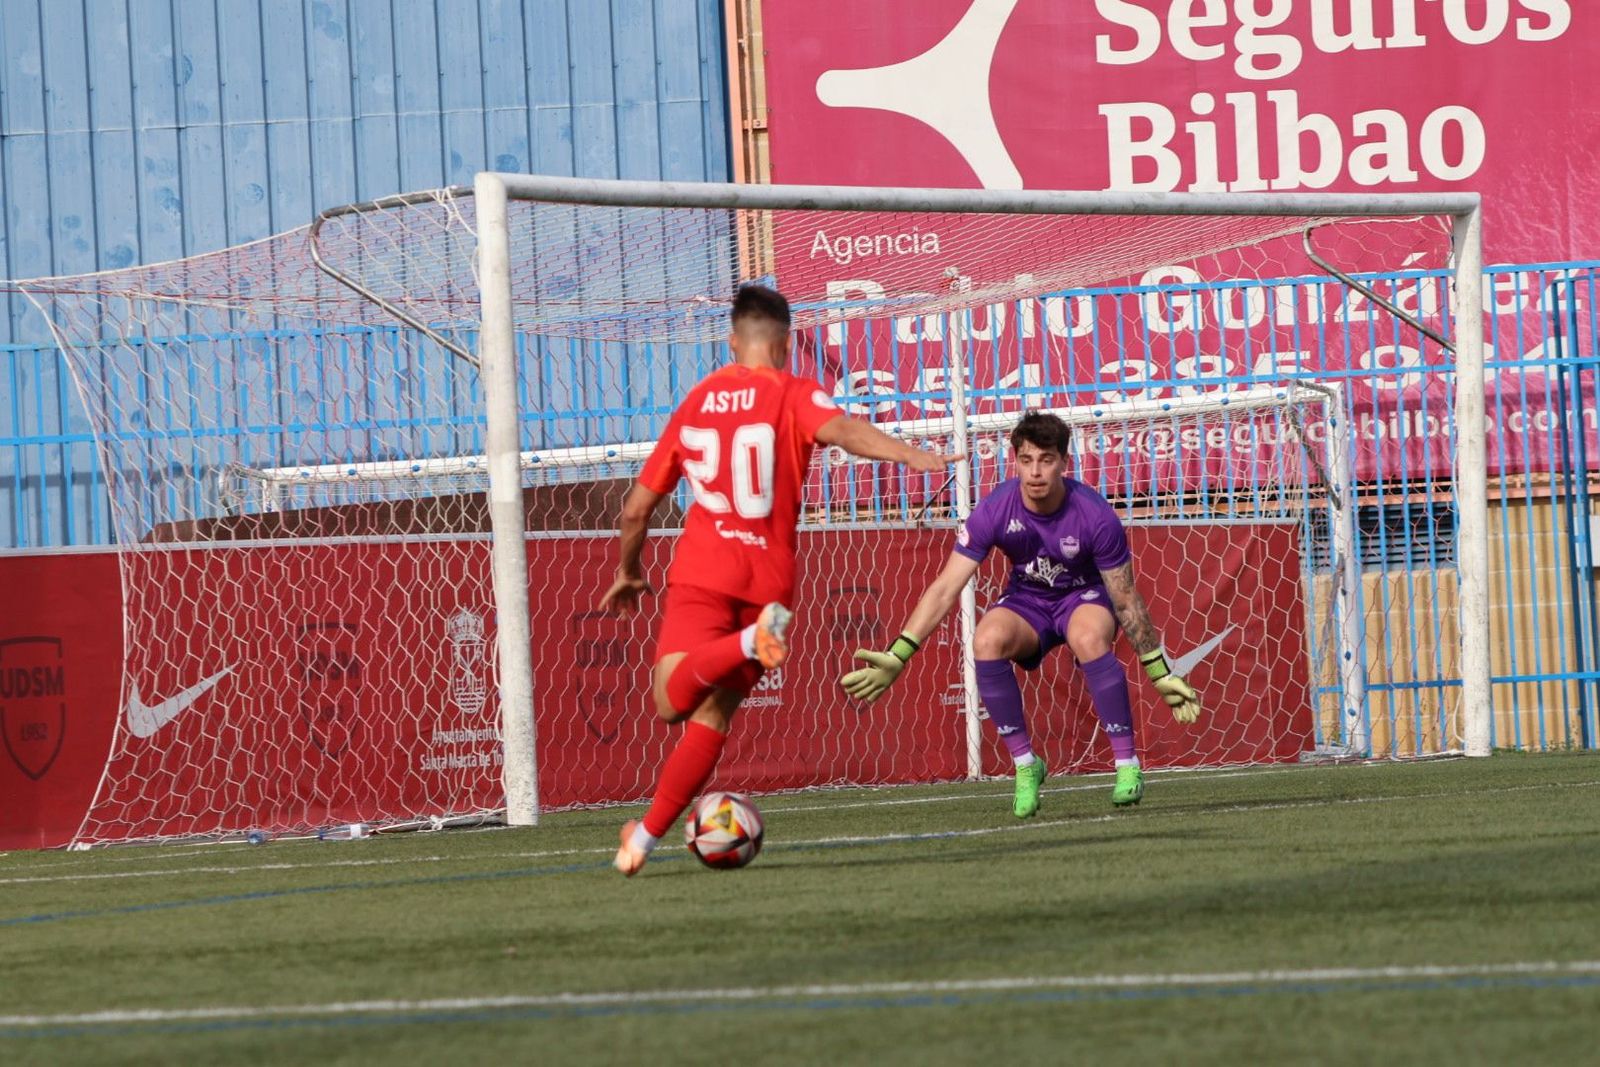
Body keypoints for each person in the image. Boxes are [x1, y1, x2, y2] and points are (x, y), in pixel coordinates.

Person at [600, 283, 948, 876]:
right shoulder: (795, 393)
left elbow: (637, 508)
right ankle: (642, 842)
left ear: (733, 341)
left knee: (668, 705)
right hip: (776, 595)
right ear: (786, 344)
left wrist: (630, 570)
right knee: (714, 719)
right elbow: (841, 429)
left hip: (703, 574)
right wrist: (907, 454)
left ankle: (737, 644)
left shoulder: (697, 401)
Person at [839, 410, 1202, 817]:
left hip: (1082, 599)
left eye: (1046, 460)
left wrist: (1158, 671)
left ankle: (1126, 765)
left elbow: (1125, 599)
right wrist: (898, 654)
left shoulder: (1096, 515)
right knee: (986, 639)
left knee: (1088, 638)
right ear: (1014, 461)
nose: (1035, 472)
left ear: (1064, 463)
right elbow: (945, 588)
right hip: (1028, 602)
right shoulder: (995, 509)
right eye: (1027, 460)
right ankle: (1027, 765)